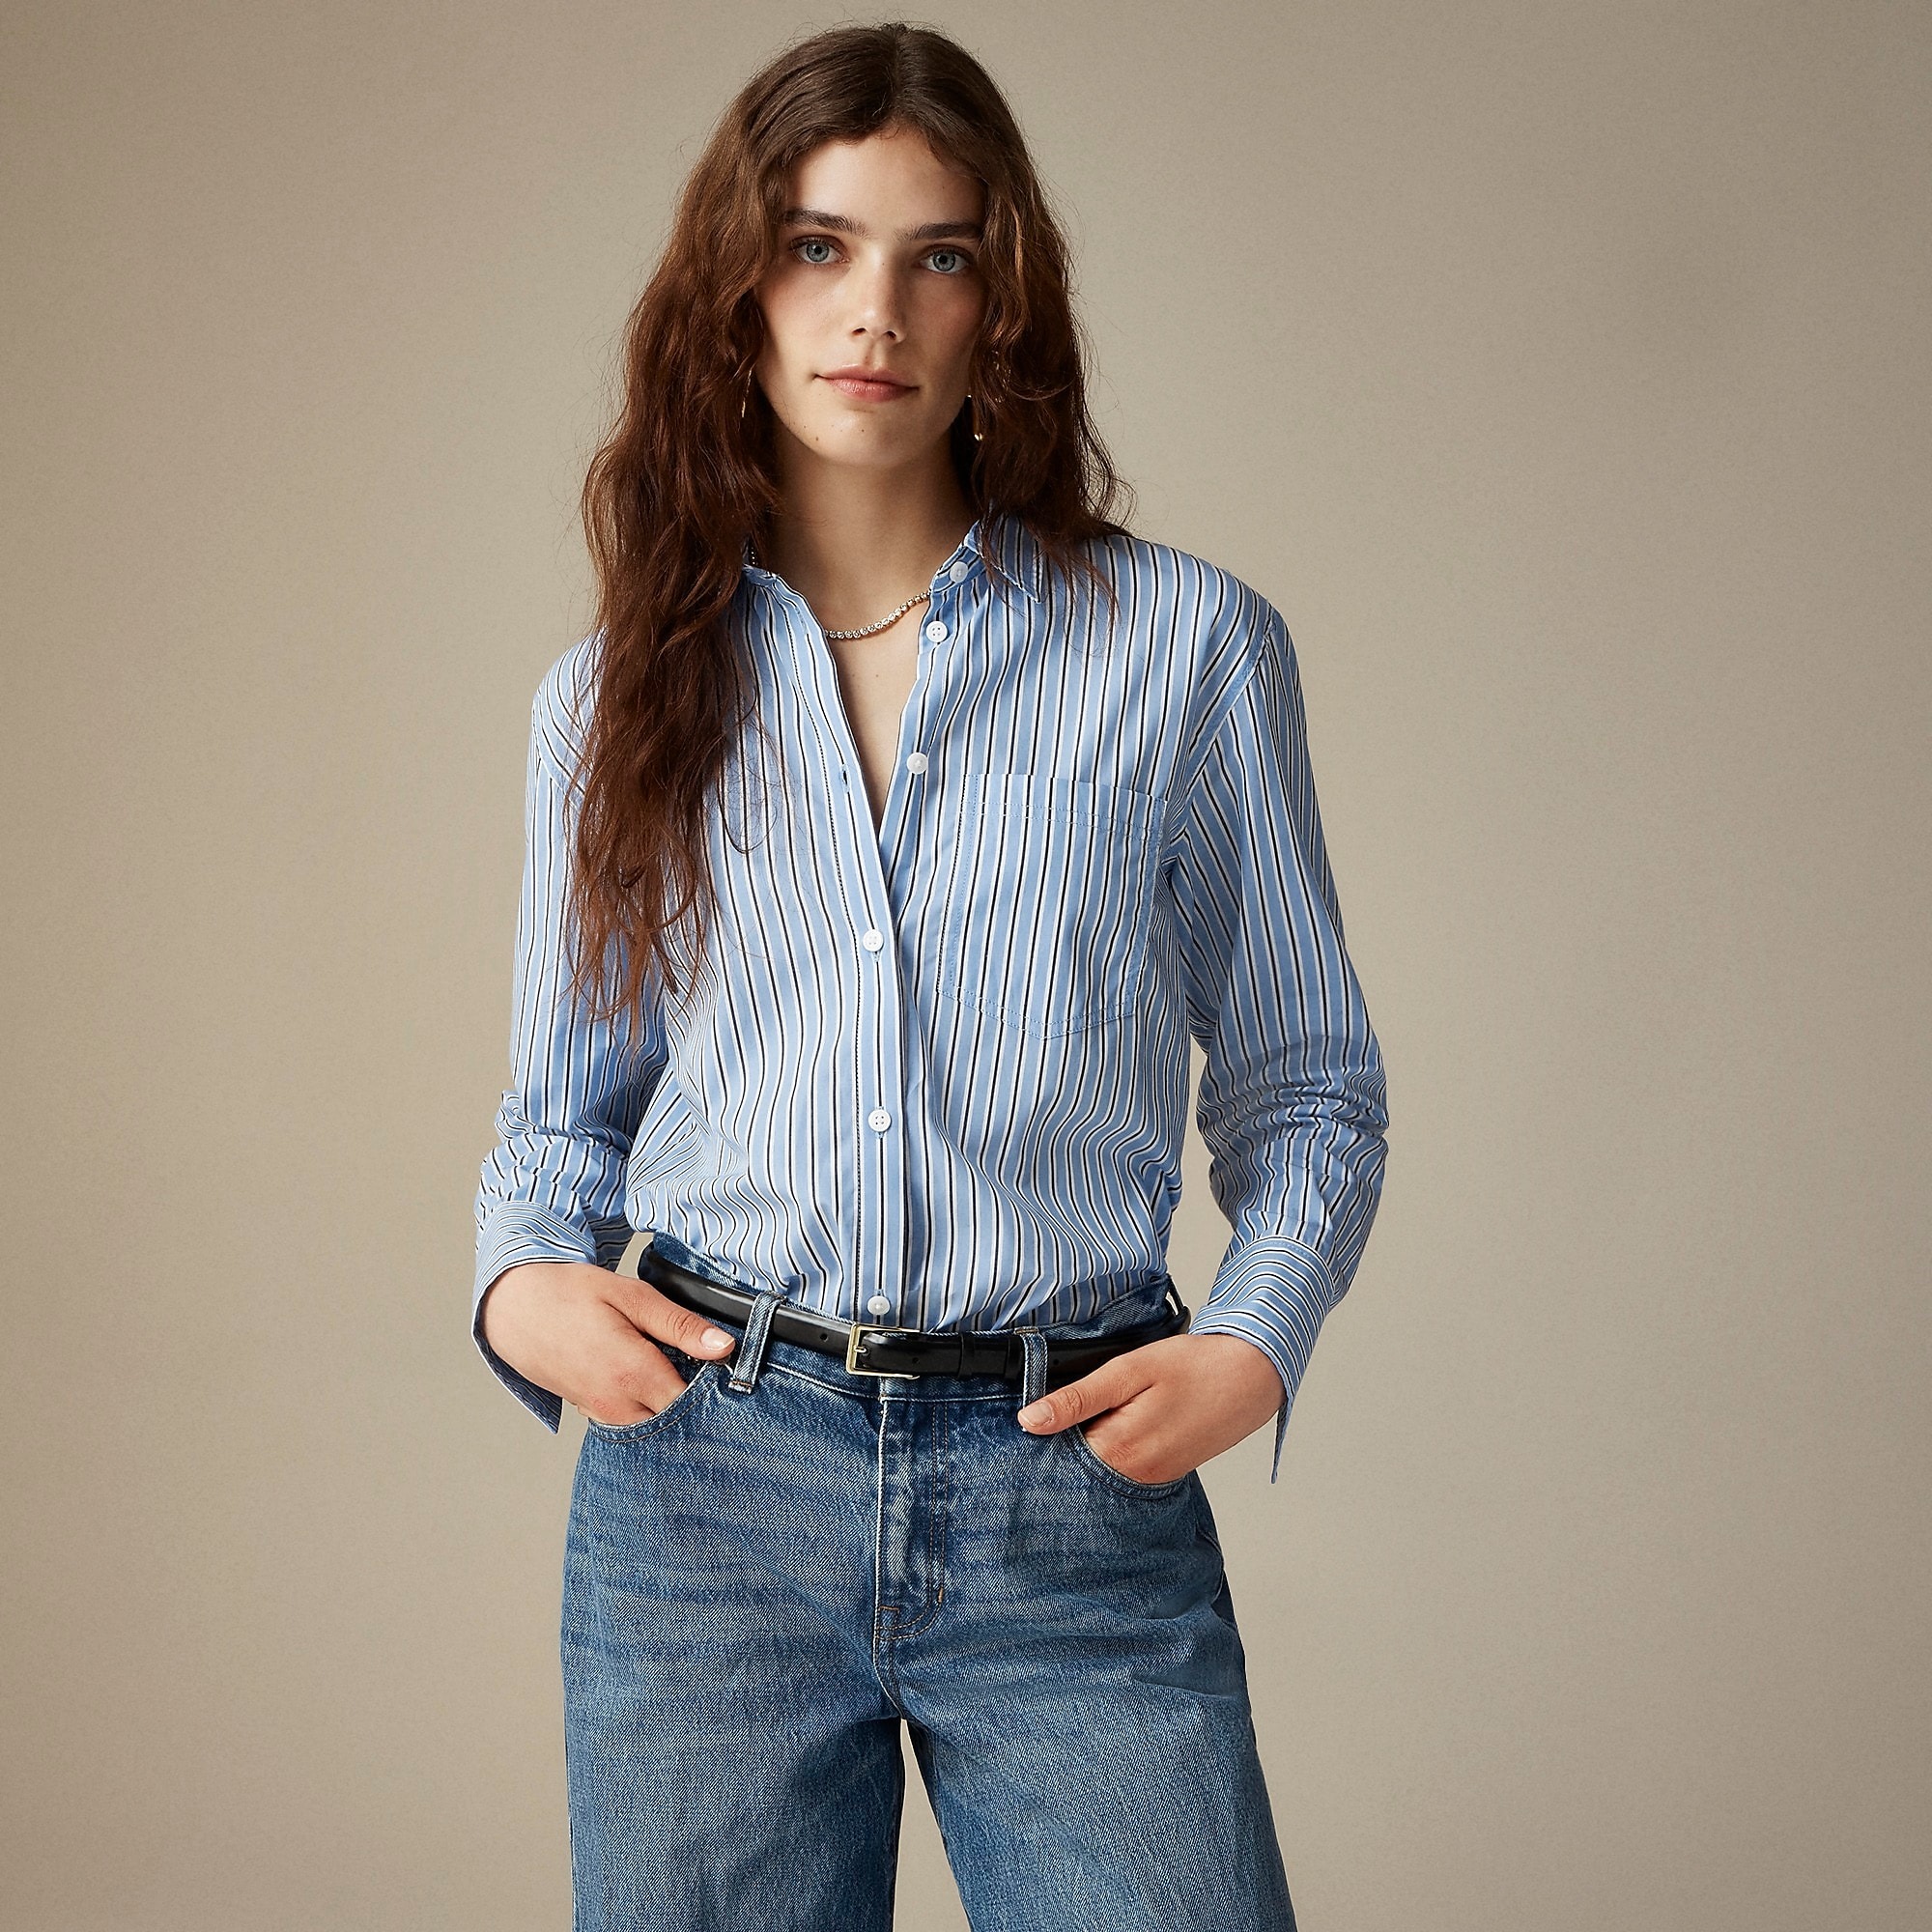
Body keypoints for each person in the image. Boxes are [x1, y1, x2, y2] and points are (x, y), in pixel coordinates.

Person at [471, 22, 1387, 1932]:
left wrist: (1258, 1335)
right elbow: (558, 1125)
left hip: (1070, 1482)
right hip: (708, 1491)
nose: (872, 308)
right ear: (735, 292)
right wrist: (520, 1282)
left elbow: (1306, 1082)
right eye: (816, 247)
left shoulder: (1184, 649)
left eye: (936, 255)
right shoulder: (612, 698)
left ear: (1001, 305)